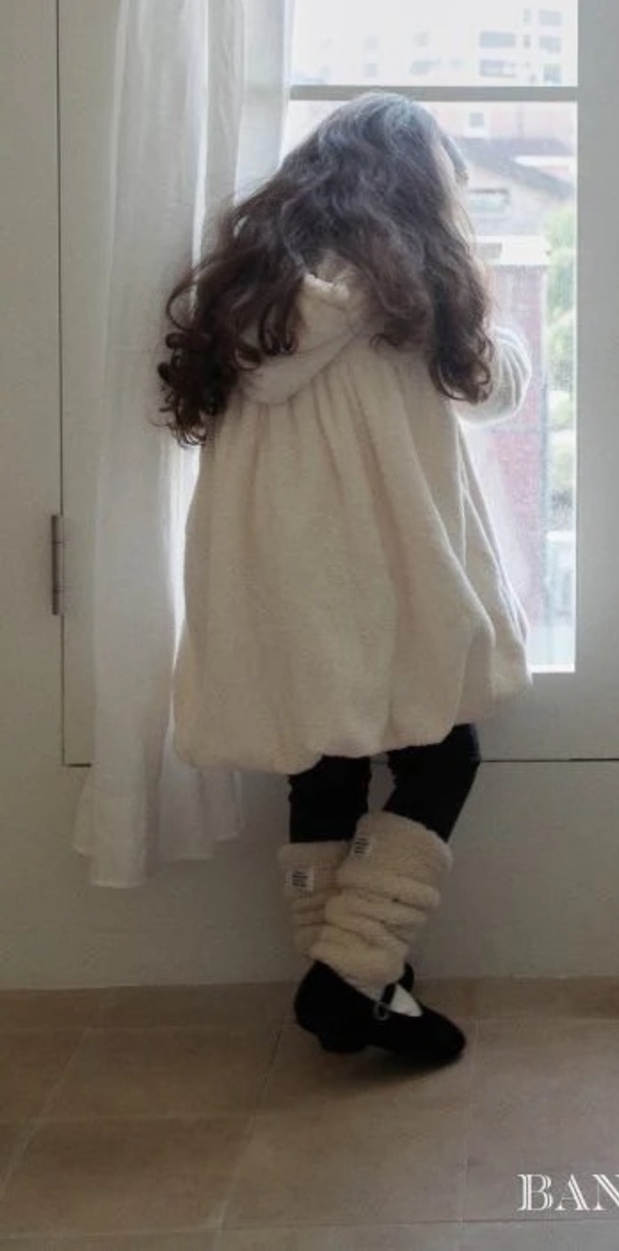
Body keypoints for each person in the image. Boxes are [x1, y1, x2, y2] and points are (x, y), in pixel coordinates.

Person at [158, 93, 531, 1064]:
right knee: (443, 759)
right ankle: (350, 973)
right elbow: (492, 387)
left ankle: (363, 987)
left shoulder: (248, 298)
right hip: (382, 581)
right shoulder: (407, 292)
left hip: (274, 588)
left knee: (322, 769)